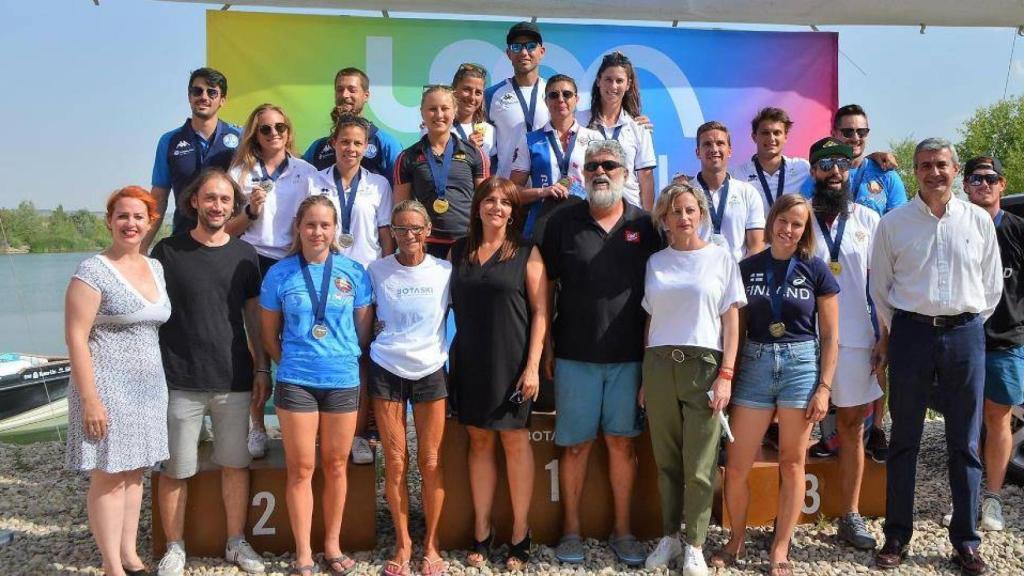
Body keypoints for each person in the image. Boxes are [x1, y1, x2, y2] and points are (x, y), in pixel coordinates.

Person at [870, 138, 1002, 575]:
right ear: (915, 171)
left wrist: (964, 322)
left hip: (965, 334)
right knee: (904, 438)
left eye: (941, 164)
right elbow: (880, 288)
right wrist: (906, 327)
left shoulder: (978, 221)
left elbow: (991, 286)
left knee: (965, 441)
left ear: (955, 169)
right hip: (911, 334)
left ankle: (966, 541)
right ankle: (896, 535)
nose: (934, 172)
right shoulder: (894, 224)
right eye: (925, 165)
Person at [540, 140, 661, 567]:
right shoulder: (562, 222)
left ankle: (623, 531)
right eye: (592, 166)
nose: (600, 172)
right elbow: (545, 288)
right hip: (574, 355)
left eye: (609, 165)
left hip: (629, 359)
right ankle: (570, 531)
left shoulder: (646, 225)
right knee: (575, 448)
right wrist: (547, 346)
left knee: (622, 445)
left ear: (626, 173)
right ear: (582, 174)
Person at [150, 169, 267, 576]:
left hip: (233, 378)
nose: (217, 206)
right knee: (176, 469)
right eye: (210, 198)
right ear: (194, 202)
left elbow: (253, 318)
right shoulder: (167, 252)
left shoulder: (245, 255)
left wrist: (262, 367)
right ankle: (175, 547)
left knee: (235, 464)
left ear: (234, 207)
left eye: (225, 199)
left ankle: (236, 541)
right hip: (179, 379)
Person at [716, 193, 839, 576]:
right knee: (737, 464)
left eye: (797, 224)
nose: (788, 229)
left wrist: (825, 387)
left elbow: (830, 335)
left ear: (805, 230)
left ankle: (780, 547)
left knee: (792, 462)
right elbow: (734, 328)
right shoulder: (747, 267)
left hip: (800, 365)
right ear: (771, 223)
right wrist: (728, 373)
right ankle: (735, 539)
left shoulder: (816, 269)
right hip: (755, 362)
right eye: (783, 221)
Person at [259, 195, 373, 576]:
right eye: (310, 224)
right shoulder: (280, 274)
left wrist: (337, 355)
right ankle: (304, 553)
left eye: (325, 225)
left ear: (335, 229)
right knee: (301, 468)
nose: (317, 232)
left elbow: (362, 330)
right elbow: (269, 335)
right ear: (298, 227)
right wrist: (294, 362)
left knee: (337, 465)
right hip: (296, 382)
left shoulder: (354, 272)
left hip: (342, 379)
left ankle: (333, 546)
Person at [65, 187, 172, 576]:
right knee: (109, 475)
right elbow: (76, 337)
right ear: (109, 221)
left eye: (138, 217)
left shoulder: (154, 267)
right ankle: (112, 564)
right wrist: (90, 399)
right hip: (107, 387)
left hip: (149, 388)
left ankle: (130, 555)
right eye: (122, 216)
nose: (130, 224)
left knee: (135, 471)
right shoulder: (93, 271)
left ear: (150, 222)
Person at [641, 183, 745, 575]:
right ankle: (670, 536)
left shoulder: (720, 258)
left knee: (700, 464)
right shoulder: (655, 262)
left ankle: (696, 544)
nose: (683, 217)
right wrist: (645, 375)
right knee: (666, 460)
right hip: (659, 364)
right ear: (664, 219)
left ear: (701, 213)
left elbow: (731, 320)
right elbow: (651, 319)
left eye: (690, 210)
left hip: (704, 366)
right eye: (675, 211)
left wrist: (726, 375)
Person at [450, 178, 549, 570]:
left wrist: (532, 366)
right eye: (489, 200)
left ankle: (521, 533)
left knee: (514, 442)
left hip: (513, 363)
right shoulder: (458, 250)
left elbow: (540, 312)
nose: (496, 207)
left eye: (505, 202)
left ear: (513, 211)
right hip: (470, 360)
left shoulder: (527, 251)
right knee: (478, 442)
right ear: (477, 207)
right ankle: (482, 529)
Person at [225, 103, 319, 456]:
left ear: (288, 131)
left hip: (292, 262)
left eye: (280, 127)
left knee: (296, 339)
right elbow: (227, 230)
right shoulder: (239, 172)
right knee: (257, 347)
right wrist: (250, 210)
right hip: (252, 260)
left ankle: (304, 421)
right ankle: (257, 426)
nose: (274, 133)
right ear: (255, 134)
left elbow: (314, 222)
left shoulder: (306, 172)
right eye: (265, 128)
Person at [804, 137, 883, 551]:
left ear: (850, 169)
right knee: (798, 428)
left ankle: (850, 515)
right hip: (803, 339)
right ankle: (786, 514)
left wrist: (884, 336)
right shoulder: (799, 217)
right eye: (825, 164)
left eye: (841, 164)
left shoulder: (869, 220)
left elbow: (883, 286)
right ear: (813, 171)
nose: (834, 171)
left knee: (851, 428)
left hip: (855, 339)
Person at [366, 200, 452, 576]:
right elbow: (364, 315)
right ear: (392, 232)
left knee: (430, 461)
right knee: (396, 461)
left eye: (416, 227)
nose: (409, 235)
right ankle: (403, 543)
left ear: (428, 230)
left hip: (431, 369)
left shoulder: (445, 271)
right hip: (386, 368)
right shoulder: (376, 270)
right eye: (401, 228)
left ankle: (432, 544)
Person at [314, 112, 395, 464]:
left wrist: (386, 282)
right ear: (333, 143)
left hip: (364, 283)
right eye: (344, 142)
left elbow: (386, 238)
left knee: (361, 358)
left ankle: (359, 435)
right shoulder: (314, 180)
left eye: (357, 143)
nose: (350, 148)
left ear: (366, 147)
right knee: (323, 355)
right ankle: (323, 436)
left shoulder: (379, 185)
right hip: (323, 282)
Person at [963, 156, 1024, 532]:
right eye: (975, 178)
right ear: (965, 186)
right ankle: (965, 497)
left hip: (1005, 339)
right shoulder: (955, 228)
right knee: (963, 420)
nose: (983, 184)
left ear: (1002, 184)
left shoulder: (1017, 229)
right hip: (961, 338)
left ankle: (993, 498)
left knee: (998, 419)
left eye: (990, 178)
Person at [147, 67, 241, 246]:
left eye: (212, 92)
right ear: (189, 97)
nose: (204, 97)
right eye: (197, 91)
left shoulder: (241, 138)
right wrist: (142, 249)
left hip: (229, 243)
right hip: (182, 243)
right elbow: (158, 198)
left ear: (222, 100)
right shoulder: (169, 141)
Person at [394, 85, 486, 258]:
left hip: (467, 242)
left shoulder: (474, 153)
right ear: (422, 113)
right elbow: (401, 210)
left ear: (455, 111)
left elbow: (485, 201)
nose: (439, 115)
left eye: (445, 108)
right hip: (426, 245)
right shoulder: (407, 157)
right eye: (432, 109)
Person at [509, 74, 603, 239]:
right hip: (542, 225)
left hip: (584, 226)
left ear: (576, 99)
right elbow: (512, 191)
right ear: (546, 101)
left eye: (567, 94)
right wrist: (543, 192)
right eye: (553, 95)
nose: (560, 99)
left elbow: (604, 185)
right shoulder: (530, 140)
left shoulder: (595, 138)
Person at [578, 51, 656, 210]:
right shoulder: (578, 121)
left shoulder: (639, 126)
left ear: (628, 85)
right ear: (598, 81)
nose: (613, 86)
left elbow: (646, 179)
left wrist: (647, 218)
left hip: (628, 213)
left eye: (619, 81)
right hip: (587, 209)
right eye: (608, 79)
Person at [303, 67, 403, 184]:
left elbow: (401, 187)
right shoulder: (318, 147)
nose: (345, 95)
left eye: (352, 90)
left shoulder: (386, 144)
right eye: (340, 90)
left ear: (366, 96)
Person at [693, 121, 766, 261]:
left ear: (730, 151)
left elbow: (756, 247)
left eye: (720, 143)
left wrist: (737, 273)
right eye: (707, 144)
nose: (714, 149)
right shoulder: (686, 193)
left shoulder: (748, 193)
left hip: (738, 272)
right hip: (696, 272)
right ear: (698, 152)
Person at [486, 21, 549, 178]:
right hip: (507, 186)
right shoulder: (491, 95)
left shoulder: (556, 93)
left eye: (531, 46)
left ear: (542, 51)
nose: (524, 52)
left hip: (548, 186)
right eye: (516, 47)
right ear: (509, 54)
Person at [732, 107, 810, 214]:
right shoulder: (737, 174)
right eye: (765, 133)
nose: (771, 138)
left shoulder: (803, 168)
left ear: (785, 137)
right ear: (754, 137)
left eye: (777, 133)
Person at [450, 63, 497, 169]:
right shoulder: (439, 128)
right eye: (467, 89)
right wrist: (468, 149)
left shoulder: (490, 131)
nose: (472, 97)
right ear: (454, 91)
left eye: (478, 92)